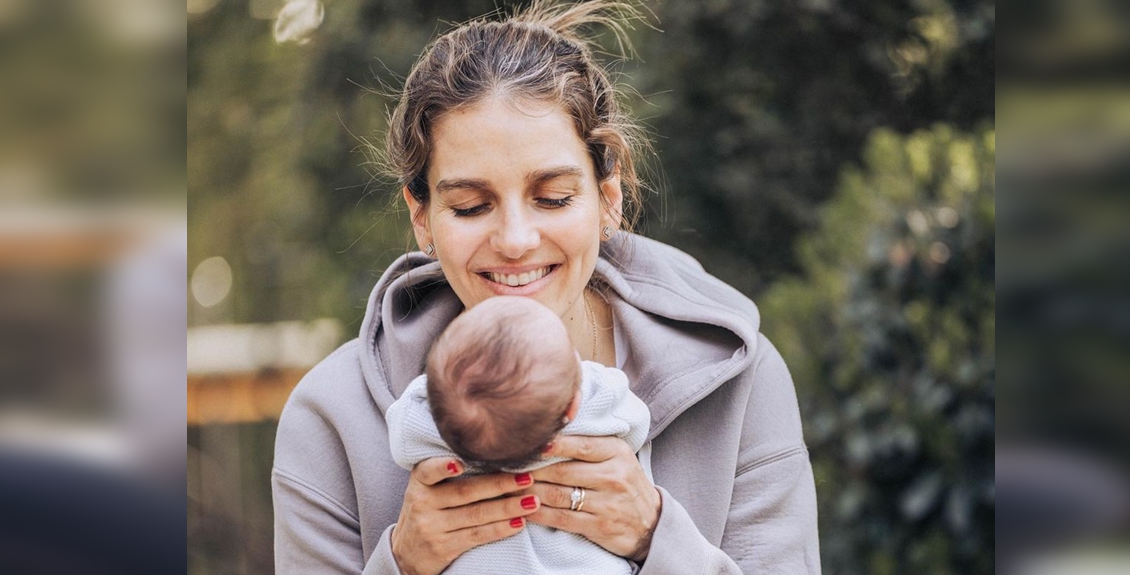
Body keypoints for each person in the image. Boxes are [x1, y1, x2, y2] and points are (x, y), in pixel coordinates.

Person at [272, 2, 821, 574]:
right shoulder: (331, 418)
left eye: (553, 198)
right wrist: (402, 564)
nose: (514, 239)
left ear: (608, 196)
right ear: (422, 216)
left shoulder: (736, 381)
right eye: (470, 206)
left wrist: (652, 537)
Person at [386, 295, 651, 574]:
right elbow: (636, 426)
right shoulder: (593, 407)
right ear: (573, 404)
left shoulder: (428, 427)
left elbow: (401, 427)